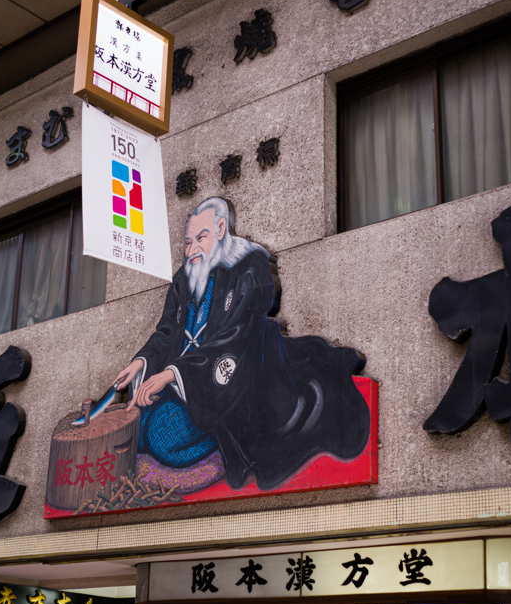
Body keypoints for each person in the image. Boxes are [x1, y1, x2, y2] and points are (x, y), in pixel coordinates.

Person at [115, 197, 370, 490]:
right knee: (137, 429)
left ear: (221, 229)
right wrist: (140, 363)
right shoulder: (184, 279)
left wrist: (171, 374)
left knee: (161, 437)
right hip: (180, 382)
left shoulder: (249, 269)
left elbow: (235, 338)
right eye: (187, 242)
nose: (191, 250)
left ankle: (225, 451)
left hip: (232, 382)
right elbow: (167, 331)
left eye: (201, 238)